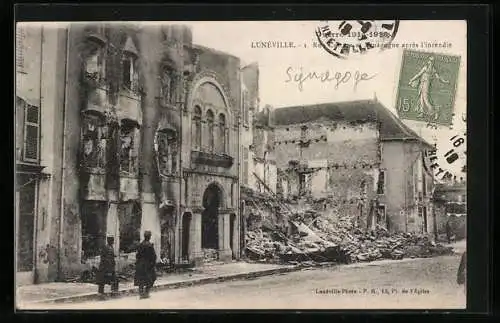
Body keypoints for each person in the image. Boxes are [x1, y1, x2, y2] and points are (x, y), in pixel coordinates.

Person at [134, 230, 157, 299]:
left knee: (141, 279)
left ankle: (141, 293)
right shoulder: (150, 245)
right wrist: (153, 263)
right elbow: (153, 256)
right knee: (151, 278)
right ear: (149, 237)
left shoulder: (140, 244)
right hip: (148, 265)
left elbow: (137, 255)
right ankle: (146, 292)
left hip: (140, 264)